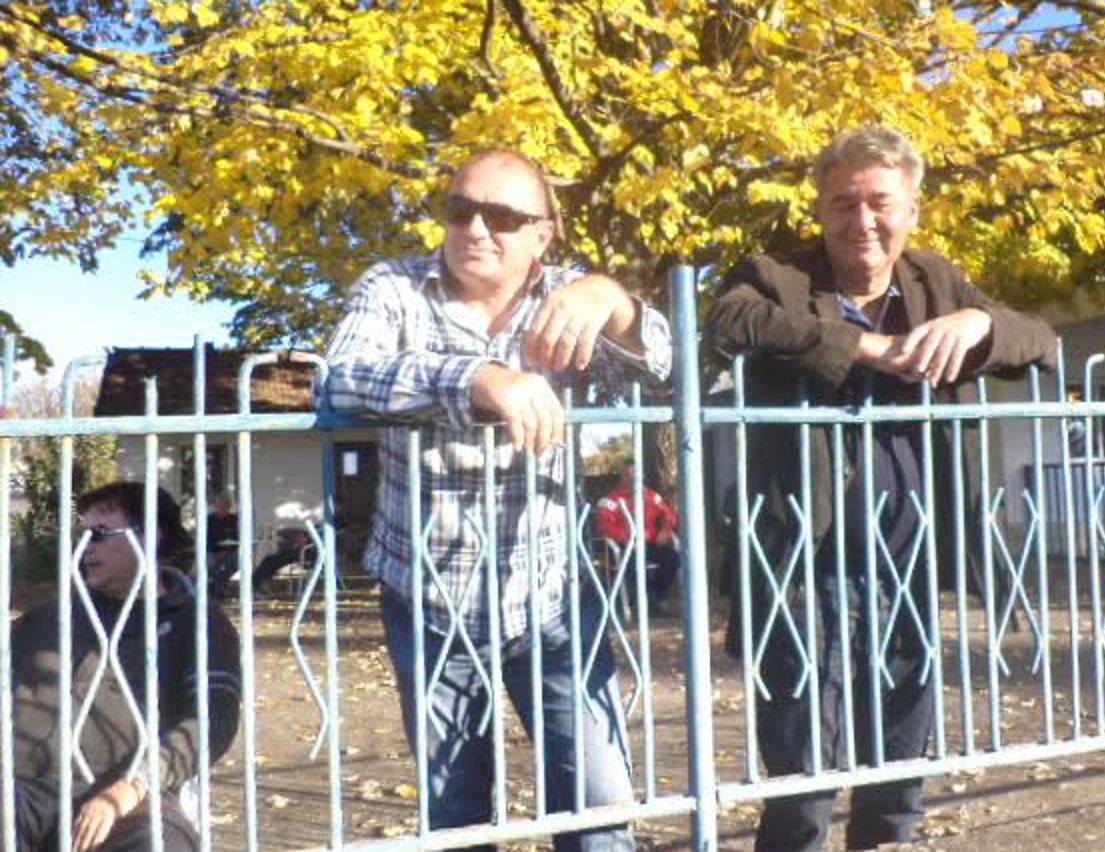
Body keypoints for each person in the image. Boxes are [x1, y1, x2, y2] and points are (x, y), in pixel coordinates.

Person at [703, 125, 1057, 850]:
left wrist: (978, 322)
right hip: (801, 563)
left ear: (912, 211)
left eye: (880, 203)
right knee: (802, 767)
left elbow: (1040, 342)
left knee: (900, 756)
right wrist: (860, 347)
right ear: (820, 209)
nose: (862, 221)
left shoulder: (936, 280)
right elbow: (728, 322)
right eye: (843, 203)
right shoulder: (777, 275)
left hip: (909, 559)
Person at [324, 148, 672, 850]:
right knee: (453, 816)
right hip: (428, 597)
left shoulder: (567, 295)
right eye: (460, 209)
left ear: (544, 234)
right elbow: (340, 377)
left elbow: (666, 363)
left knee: (598, 808)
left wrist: (614, 301)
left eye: (503, 216)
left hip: (552, 596)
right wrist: (479, 378)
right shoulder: (394, 287)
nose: (475, 229)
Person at [10, 481, 241, 852]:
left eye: (100, 533)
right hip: (22, 789)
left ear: (149, 536)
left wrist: (134, 784)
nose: (87, 546)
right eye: (83, 535)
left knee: (159, 845)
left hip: (129, 798)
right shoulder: (48, 617)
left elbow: (212, 720)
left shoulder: (196, 622)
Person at [594, 465, 680, 615]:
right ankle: (650, 604)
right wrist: (629, 537)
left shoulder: (651, 496)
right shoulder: (610, 501)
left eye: (637, 476)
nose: (634, 479)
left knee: (672, 558)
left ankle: (655, 597)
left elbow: (668, 515)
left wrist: (665, 531)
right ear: (622, 478)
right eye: (629, 476)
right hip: (624, 546)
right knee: (634, 563)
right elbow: (604, 527)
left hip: (650, 544)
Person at [205, 491, 239, 597]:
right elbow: (206, 539)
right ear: (215, 506)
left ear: (229, 507)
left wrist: (226, 550)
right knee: (211, 565)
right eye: (219, 506)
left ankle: (220, 587)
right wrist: (216, 551)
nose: (222, 508)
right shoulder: (209, 520)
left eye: (225, 505)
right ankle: (218, 589)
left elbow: (236, 537)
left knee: (236, 563)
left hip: (229, 551)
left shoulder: (234, 519)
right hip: (212, 551)